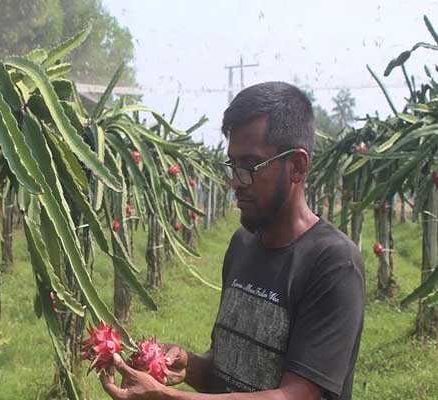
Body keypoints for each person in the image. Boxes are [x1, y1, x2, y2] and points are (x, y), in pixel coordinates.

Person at [100, 82, 366, 400]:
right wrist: (192, 366)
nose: (235, 182)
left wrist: (166, 398)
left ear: (297, 166)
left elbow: (298, 395)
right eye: (233, 165)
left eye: (250, 166)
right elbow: (227, 371)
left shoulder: (334, 263)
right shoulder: (242, 245)